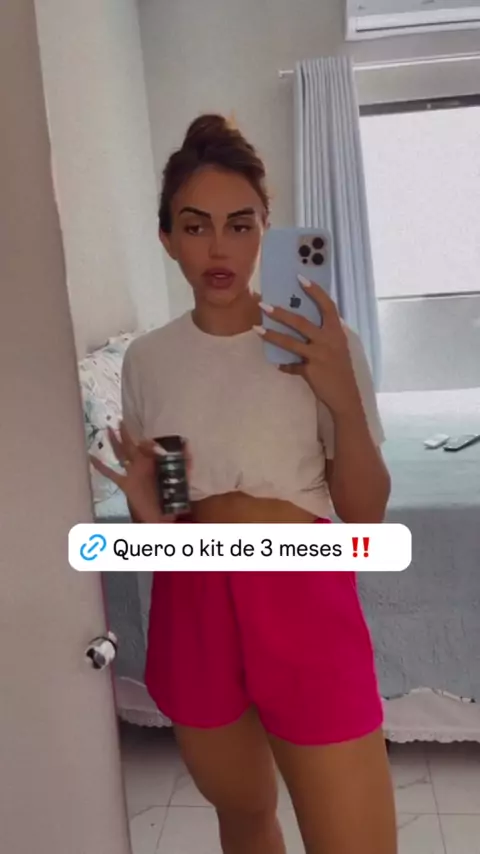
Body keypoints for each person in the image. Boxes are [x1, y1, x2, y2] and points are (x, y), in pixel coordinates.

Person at [92, 114, 397, 854]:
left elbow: (365, 516)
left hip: (301, 592)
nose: (219, 248)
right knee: (245, 817)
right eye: (195, 226)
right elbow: (169, 512)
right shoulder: (148, 361)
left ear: (266, 230)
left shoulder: (322, 344)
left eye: (240, 224)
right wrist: (149, 517)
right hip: (193, 598)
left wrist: (341, 395)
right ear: (167, 238)